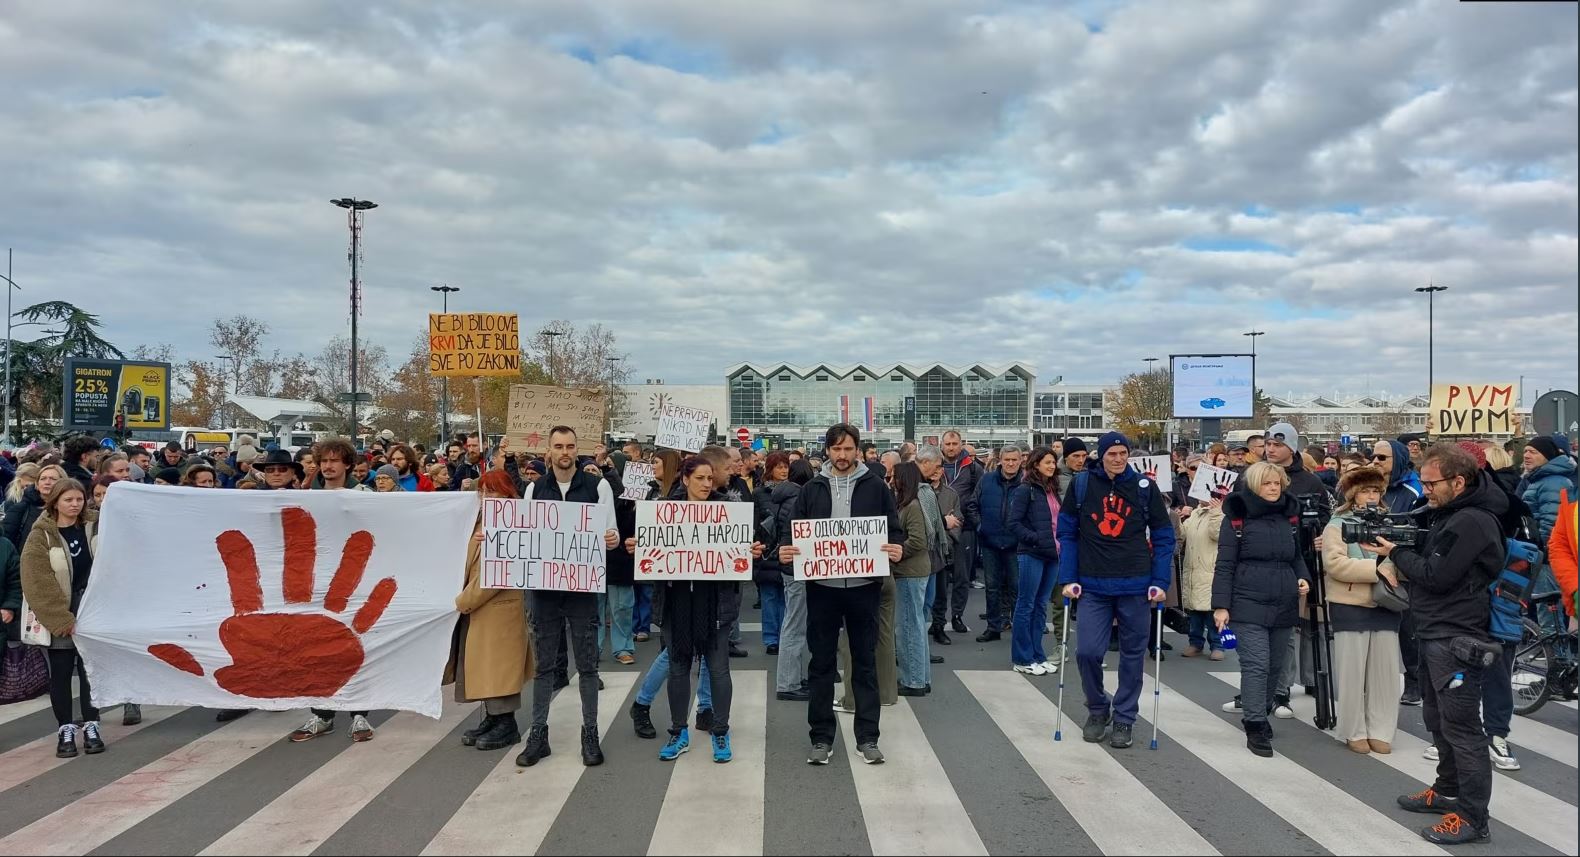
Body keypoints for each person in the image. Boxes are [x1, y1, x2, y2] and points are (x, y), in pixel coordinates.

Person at [1360, 444, 1505, 845]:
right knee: (1438, 721)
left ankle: (1473, 818)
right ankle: (1447, 791)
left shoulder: (1472, 521)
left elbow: (1437, 575)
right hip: (1435, 628)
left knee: (1463, 730)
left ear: (1458, 482)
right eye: (1422, 482)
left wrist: (1395, 552)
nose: (1425, 490)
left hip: (1457, 633)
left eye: (1431, 483)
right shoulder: (1451, 513)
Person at [781, 423, 904, 766]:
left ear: (858, 450)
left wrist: (897, 548)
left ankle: (868, 737)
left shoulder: (876, 487)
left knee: (864, 665)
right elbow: (793, 531)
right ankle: (821, 737)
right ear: (827, 451)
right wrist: (786, 551)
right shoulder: (812, 489)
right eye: (836, 449)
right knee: (821, 665)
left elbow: (894, 529)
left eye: (848, 449)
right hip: (823, 589)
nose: (842, 455)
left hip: (864, 588)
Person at [1057, 431, 1173, 750]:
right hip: (1093, 583)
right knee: (1087, 652)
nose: (1119, 459)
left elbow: (1164, 537)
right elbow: (1066, 532)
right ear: (1102, 455)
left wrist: (1160, 582)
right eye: (1113, 454)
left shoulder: (1144, 488)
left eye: (1124, 454)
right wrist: (1068, 578)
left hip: (1135, 583)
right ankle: (1098, 708)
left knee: (1133, 655)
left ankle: (1124, 716)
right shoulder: (1082, 485)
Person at [644, 455, 757, 764]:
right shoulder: (664, 511)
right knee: (678, 667)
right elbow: (647, 549)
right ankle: (678, 731)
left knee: (719, 668)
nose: (707, 484)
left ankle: (720, 730)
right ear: (685, 479)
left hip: (716, 602)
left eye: (710, 478)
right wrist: (636, 546)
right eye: (700, 479)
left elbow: (758, 538)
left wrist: (752, 548)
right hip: (676, 601)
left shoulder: (729, 511)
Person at [518, 426, 618, 768]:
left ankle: (590, 733)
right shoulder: (535, 489)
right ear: (549, 450)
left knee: (587, 666)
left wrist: (611, 539)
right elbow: (525, 534)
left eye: (570, 446)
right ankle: (538, 734)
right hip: (544, 591)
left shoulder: (597, 486)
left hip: (582, 589)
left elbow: (612, 530)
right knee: (544, 666)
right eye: (558, 446)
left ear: (578, 450)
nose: (564, 451)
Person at [1212, 461, 1312, 758]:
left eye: (1277, 483)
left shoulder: (1289, 517)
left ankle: (1261, 709)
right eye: (1267, 483)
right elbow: (1225, 564)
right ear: (1255, 485)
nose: (1273, 488)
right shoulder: (1236, 519)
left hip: (1283, 600)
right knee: (1256, 664)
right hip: (1247, 602)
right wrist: (1221, 606)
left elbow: (1296, 556)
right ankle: (1254, 723)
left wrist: (1303, 576)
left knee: (1276, 666)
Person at [289, 439, 374, 744]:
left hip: (354, 579)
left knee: (355, 644)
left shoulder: (364, 495)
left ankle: (359, 713)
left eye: (335, 460)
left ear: (348, 464)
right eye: (324, 460)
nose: (328, 466)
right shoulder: (309, 496)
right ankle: (322, 713)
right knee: (316, 648)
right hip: (316, 581)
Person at [448, 471, 534, 752]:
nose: (486, 497)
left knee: (499, 667)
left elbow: (495, 574)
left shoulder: (514, 523)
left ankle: (506, 723)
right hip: (478, 608)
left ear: (508, 494)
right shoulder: (478, 522)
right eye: (482, 491)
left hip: (497, 608)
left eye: (493, 491)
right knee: (483, 665)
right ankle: (493, 717)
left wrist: (462, 601)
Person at [19, 479, 103, 758]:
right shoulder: (41, 534)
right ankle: (65, 728)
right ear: (55, 502)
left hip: (92, 606)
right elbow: (36, 580)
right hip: (61, 608)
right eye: (68, 500)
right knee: (62, 671)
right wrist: (59, 617)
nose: (75, 505)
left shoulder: (96, 524)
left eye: (79, 499)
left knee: (90, 670)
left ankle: (92, 724)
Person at [1322, 466, 1403, 755]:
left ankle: (1381, 728)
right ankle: (1353, 729)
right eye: (1366, 490)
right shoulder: (1336, 524)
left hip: (1386, 602)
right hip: (1350, 603)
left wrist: (1392, 566)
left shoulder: (1390, 521)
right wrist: (1377, 569)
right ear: (1353, 496)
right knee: (1352, 672)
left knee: (1386, 673)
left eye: (1376, 491)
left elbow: (1402, 555)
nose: (1372, 495)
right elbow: (1334, 564)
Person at [1008, 447, 1062, 676]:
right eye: (1048, 462)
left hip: (1054, 553)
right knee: (1026, 604)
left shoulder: (1052, 489)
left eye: (1053, 462)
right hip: (1032, 553)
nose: (1052, 466)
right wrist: (1036, 539)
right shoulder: (1025, 490)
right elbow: (1014, 523)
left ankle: (1037, 654)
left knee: (1041, 605)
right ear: (1036, 464)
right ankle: (1022, 657)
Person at [768, 458, 813, 701]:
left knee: (792, 622)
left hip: (791, 568)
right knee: (794, 625)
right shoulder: (800, 498)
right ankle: (788, 682)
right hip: (798, 567)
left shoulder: (783, 496)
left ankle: (792, 676)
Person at [887, 462, 933, 696]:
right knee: (915, 625)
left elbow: (918, 540)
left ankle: (913, 680)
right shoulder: (910, 503)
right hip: (913, 571)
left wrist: (896, 550)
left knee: (907, 627)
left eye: (895, 476)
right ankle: (921, 677)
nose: (891, 479)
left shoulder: (912, 506)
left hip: (910, 571)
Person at [973, 444, 1023, 643]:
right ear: (1000, 460)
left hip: (1016, 544)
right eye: (1007, 459)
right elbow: (972, 505)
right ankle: (993, 627)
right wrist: (980, 526)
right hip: (990, 541)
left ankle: (1018, 626)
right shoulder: (986, 480)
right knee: (992, 587)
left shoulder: (1026, 483)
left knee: (1017, 587)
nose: (1010, 463)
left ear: (1021, 461)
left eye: (1014, 460)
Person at [936, 430, 982, 638]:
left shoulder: (973, 468)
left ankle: (957, 616)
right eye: (948, 443)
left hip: (965, 529)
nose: (951, 447)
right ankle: (937, 619)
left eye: (955, 443)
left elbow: (979, 496)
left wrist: (973, 520)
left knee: (962, 576)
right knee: (939, 577)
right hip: (938, 530)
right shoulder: (933, 466)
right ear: (942, 445)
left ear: (961, 444)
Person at [753, 452, 793, 656]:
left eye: (786, 466)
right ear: (770, 469)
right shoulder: (759, 494)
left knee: (787, 598)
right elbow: (754, 521)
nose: (784, 470)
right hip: (767, 552)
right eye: (779, 466)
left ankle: (785, 636)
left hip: (788, 550)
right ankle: (771, 639)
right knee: (769, 598)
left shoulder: (796, 492)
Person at [1178, 492, 1226, 660]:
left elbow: (1218, 534)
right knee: (1194, 613)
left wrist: (1216, 512)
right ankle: (1195, 643)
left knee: (1211, 612)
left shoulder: (1222, 513)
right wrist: (1178, 518)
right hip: (1192, 569)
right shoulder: (1195, 514)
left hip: (1210, 571)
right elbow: (1181, 535)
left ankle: (1218, 645)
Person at [5, 463, 62, 551]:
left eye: (53, 479)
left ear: (63, 482)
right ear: (37, 484)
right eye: (43, 479)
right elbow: (7, 543)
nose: (47, 482)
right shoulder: (20, 508)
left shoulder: (68, 509)